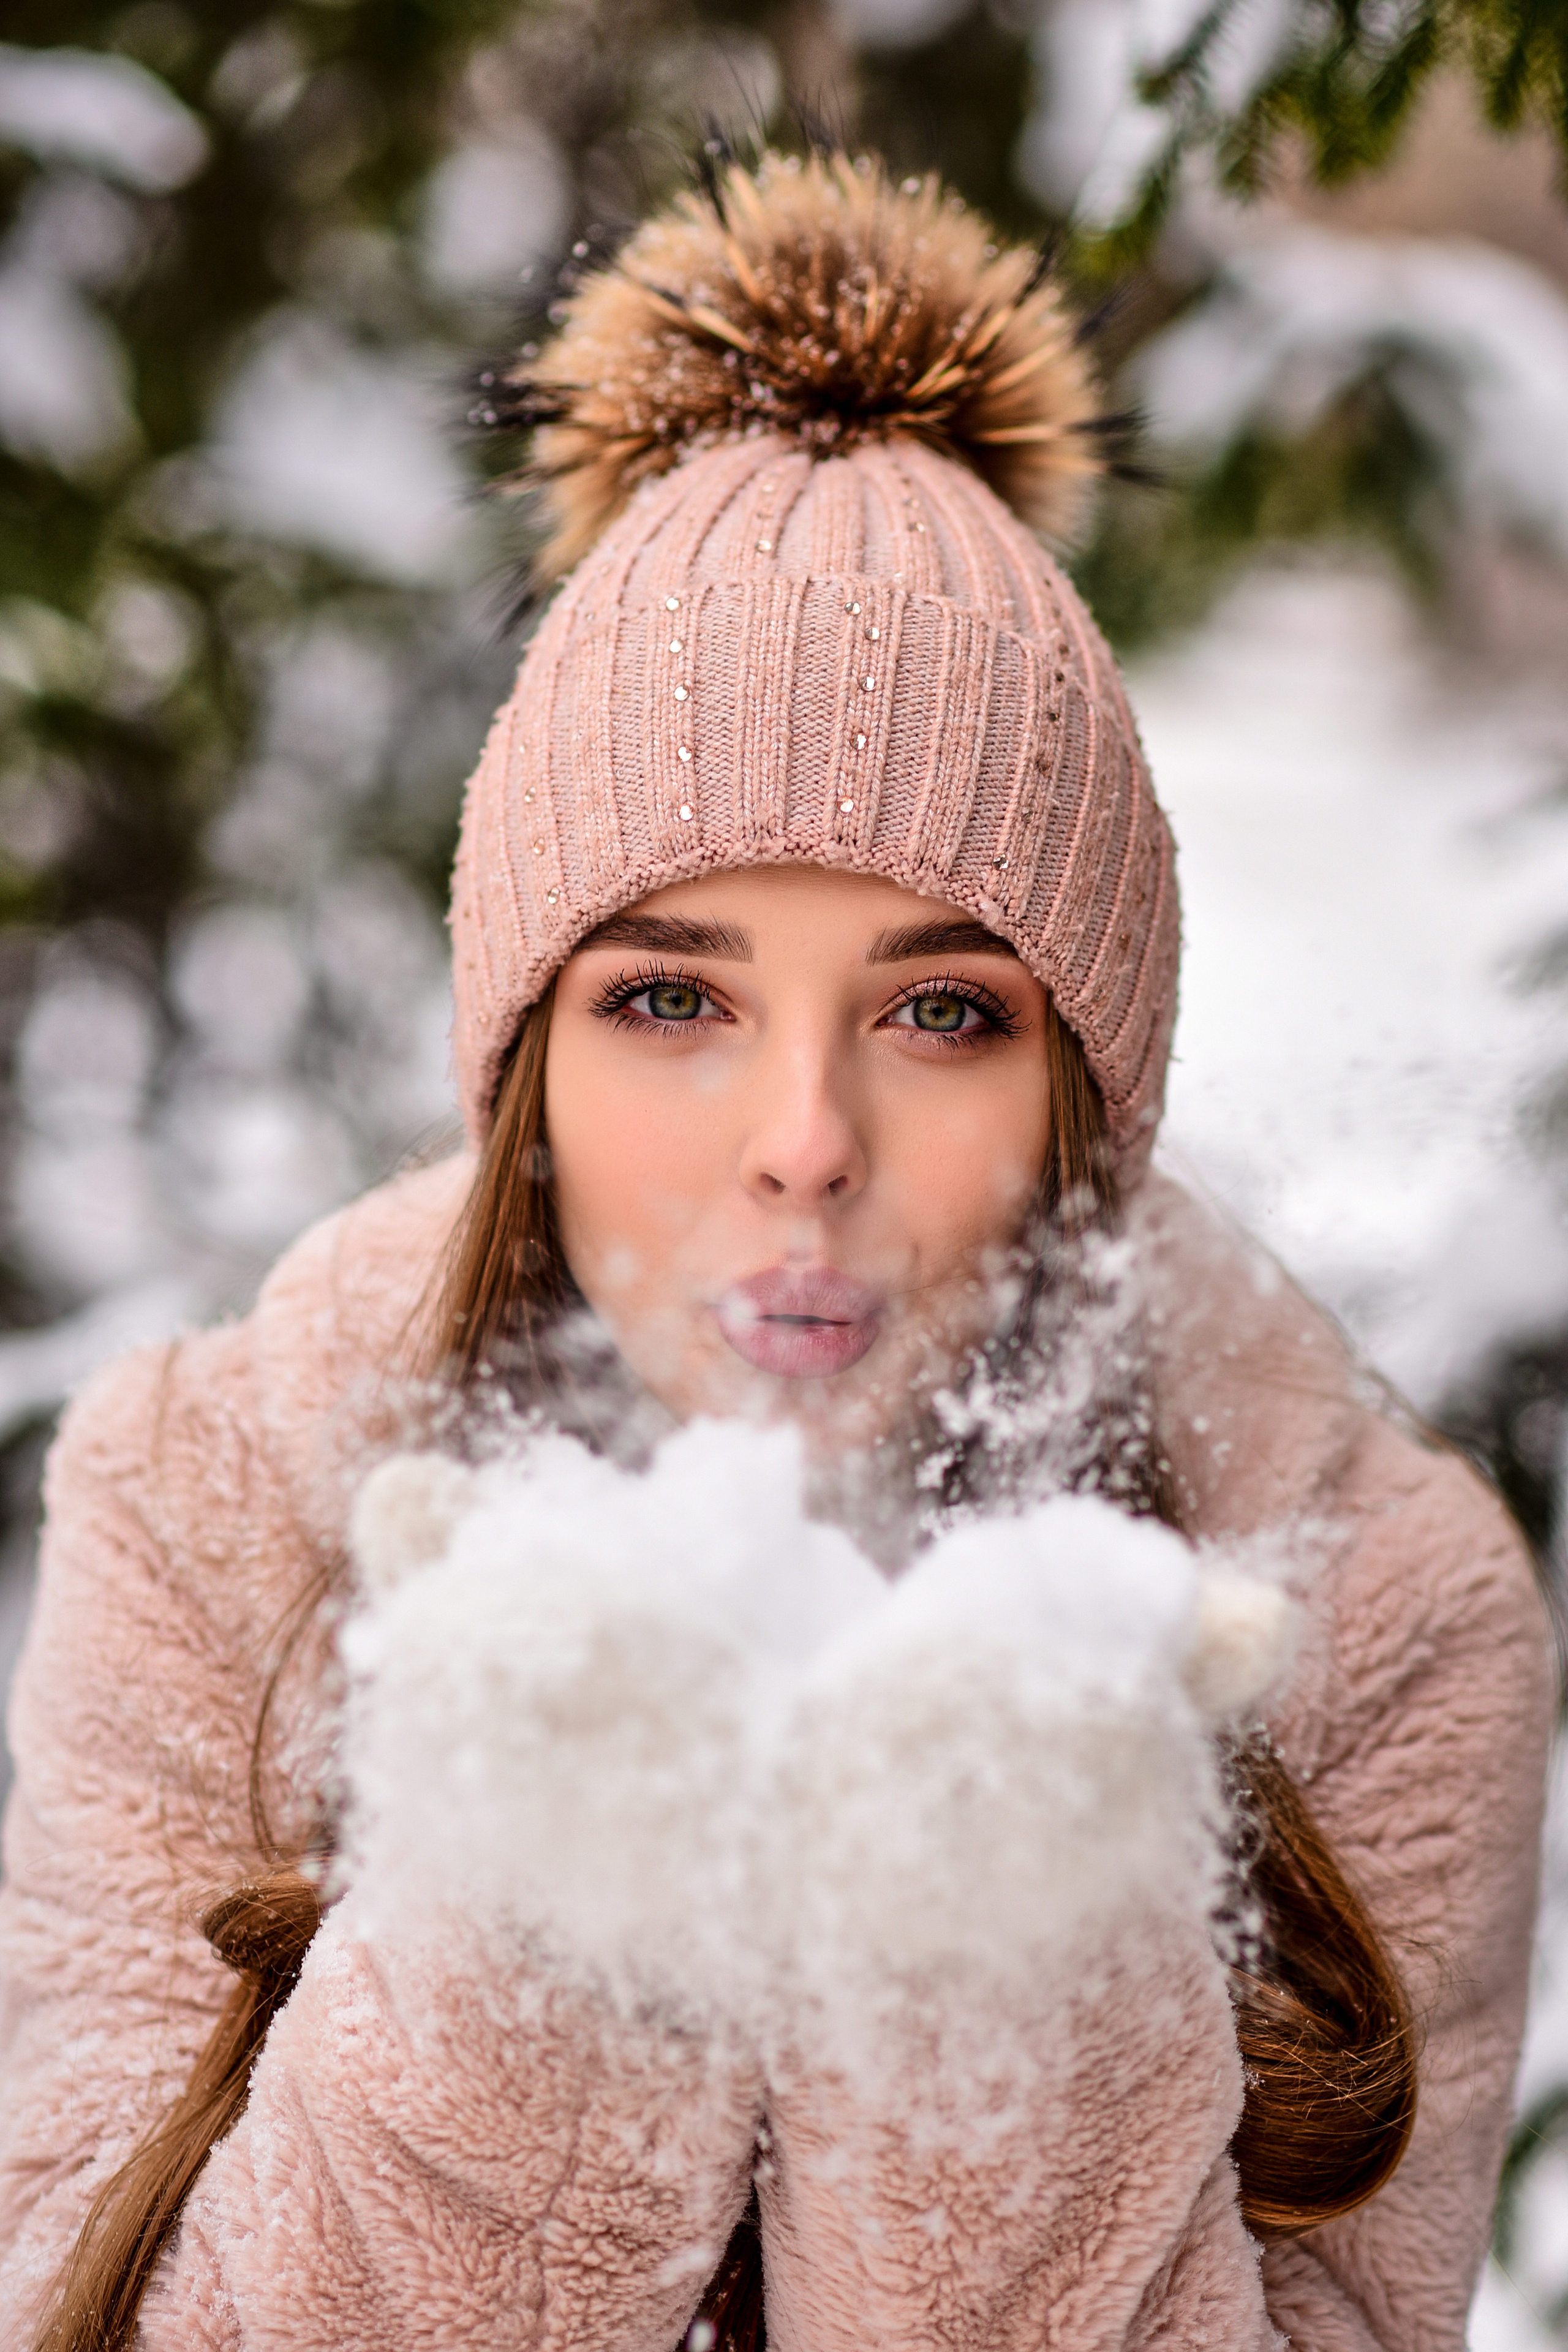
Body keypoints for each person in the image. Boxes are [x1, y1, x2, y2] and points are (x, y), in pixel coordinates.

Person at [0, 151, 1551, 2352]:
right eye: (671, 1001)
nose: (805, 1146)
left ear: (1084, 1094)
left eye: (942, 1012)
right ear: (524, 1054)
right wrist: (555, 1896)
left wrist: (1008, 1946)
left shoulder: (1369, 1609)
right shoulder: (212, 1501)